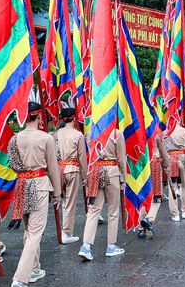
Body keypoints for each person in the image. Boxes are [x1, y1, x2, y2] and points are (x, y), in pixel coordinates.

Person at [7, 102, 62, 287]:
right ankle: (20, 280)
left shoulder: (14, 139)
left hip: (22, 183)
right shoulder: (46, 138)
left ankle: (34, 268)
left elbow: (13, 164)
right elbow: (53, 167)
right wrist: (57, 192)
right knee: (35, 232)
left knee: (29, 229)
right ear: (39, 117)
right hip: (38, 183)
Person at [78, 128, 127, 258]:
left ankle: (86, 246)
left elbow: (85, 157)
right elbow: (121, 159)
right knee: (113, 211)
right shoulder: (116, 133)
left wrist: (85, 176)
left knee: (93, 210)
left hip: (94, 172)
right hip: (111, 171)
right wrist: (124, 178)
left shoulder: (89, 134)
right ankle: (111, 246)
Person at [55, 108, 88, 244]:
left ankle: (64, 230)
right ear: (73, 118)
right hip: (72, 169)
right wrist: (85, 176)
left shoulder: (56, 133)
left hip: (59, 168)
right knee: (69, 202)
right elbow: (82, 157)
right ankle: (67, 232)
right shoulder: (77, 135)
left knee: (63, 201)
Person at [137, 130, 169, 238]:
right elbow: (164, 153)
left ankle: (141, 228)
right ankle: (149, 219)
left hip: (140, 165)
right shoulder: (156, 132)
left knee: (142, 196)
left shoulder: (137, 129)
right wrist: (166, 164)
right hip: (154, 163)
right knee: (156, 196)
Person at [162, 121, 185, 220]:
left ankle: (175, 214)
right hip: (183, 158)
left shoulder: (165, 132)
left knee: (172, 187)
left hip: (171, 159)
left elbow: (164, 149)